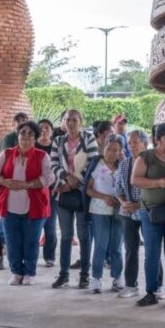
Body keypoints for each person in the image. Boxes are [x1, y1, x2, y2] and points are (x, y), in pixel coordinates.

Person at [0, 121, 55, 285]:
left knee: (31, 242)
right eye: (22, 133)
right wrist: (4, 181)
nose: (26, 136)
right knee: (12, 242)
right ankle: (16, 272)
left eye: (30, 134)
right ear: (17, 136)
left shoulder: (42, 156)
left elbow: (49, 178)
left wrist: (27, 185)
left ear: (35, 138)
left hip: (35, 206)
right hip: (9, 206)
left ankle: (29, 273)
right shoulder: (7, 153)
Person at [131, 122, 165, 308]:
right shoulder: (146, 157)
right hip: (150, 211)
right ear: (157, 140)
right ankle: (151, 292)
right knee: (152, 254)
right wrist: (159, 183)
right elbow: (135, 180)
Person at [50, 109, 97, 289]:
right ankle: (64, 275)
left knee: (84, 236)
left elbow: (93, 163)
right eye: (67, 120)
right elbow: (54, 163)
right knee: (66, 236)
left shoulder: (89, 138)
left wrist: (74, 182)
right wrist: (66, 178)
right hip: (63, 191)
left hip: (83, 193)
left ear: (81, 122)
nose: (71, 123)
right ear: (63, 122)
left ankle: (84, 275)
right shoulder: (58, 140)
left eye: (74, 120)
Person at [86, 136, 125, 293]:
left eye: (116, 150)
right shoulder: (97, 164)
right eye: (109, 149)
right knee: (100, 246)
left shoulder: (123, 166)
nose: (111, 153)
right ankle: (96, 278)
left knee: (117, 246)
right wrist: (104, 197)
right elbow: (88, 189)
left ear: (120, 151)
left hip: (119, 211)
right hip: (99, 210)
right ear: (103, 148)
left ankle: (117, 277)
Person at [115, 129, 149, 299]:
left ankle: (156, 286)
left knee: (151, 249)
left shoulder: (151, 163)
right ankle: (130, 285)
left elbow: (155, 190)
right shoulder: (124, 163)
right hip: (127, 212)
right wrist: (123, 202)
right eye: (129, 143)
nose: (132, 146)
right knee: (130, 249)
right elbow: (118, 188)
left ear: (145, 144)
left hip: (147, 211)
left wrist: (138, 205)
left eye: (135, 142)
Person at [36, 119, 58, 268]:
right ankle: (31, 254)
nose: (44, 130)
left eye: (47, 128)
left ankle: (49, 256)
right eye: (41, 128)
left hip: (52, 191)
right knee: (34, 225)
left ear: (51, 131)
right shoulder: (33, 145)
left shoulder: (56, 146)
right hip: (35, 190)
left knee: (50, 225)